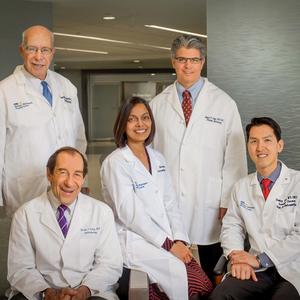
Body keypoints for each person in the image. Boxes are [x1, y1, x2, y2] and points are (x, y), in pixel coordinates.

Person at [149, 34, 247, 283]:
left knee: (211, 267)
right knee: (174, 272)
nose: (188, 65)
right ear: (173, 61)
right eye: (182, 59)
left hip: (210, 201)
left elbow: (234, 158)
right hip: (169, 200)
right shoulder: (158, 105)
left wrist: (228, 199)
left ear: (202, 62)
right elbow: (149, 155)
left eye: (194, 60)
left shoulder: (224, 103)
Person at [100, 97, 213, 300]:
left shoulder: (157, 158)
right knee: (187, 279)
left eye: (145, 118)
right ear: (123, 124)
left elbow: (170, 203)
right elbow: (130, 214)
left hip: (165, 237)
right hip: (135, 240)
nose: (140, 124)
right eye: (132, 119)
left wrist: (178, 238)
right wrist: (169, 245)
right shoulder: (116, 162)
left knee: (201, 281)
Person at [7, 146, 123, 300]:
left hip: (92, 293)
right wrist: (48, 293)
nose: (69, 182)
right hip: (41, 293)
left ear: (83, 179)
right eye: (62, 172)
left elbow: (109, 265)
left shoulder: (102, 212)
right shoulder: (25, 214)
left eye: (77, 174)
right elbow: (20, 269)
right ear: (49, 174)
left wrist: (84, 291)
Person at [0, 25, 87, 216]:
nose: (39, 57)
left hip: (66, 187)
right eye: (32, 49)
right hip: (25, 189)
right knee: (27, 242)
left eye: (45, 50)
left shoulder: (67, 87)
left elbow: (78, 139)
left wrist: (81, 179)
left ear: (52, 53)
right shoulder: (4, 91)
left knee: (64, 240)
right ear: (21, 50)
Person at [210, 117, 300, 299]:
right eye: (254, 141)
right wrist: (237, 256)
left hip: (293, 268)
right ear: (248, 147)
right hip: (255, 270)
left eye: (267, 140)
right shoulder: (241, 187)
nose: (260, 147)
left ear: (279, 145)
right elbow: (231, 227)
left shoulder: (297, 183)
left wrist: (260, 259)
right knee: (221, 295)